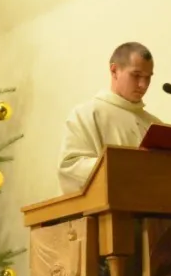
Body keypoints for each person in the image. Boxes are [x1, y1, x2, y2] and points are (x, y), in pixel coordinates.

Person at [56, 42, 161, 194]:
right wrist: (125, 166)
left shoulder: (154, 124)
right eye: (136, 75)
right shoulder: (86, 114)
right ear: (114, 70)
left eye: (148, 77)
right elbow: (70, 169)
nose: (143, 85)